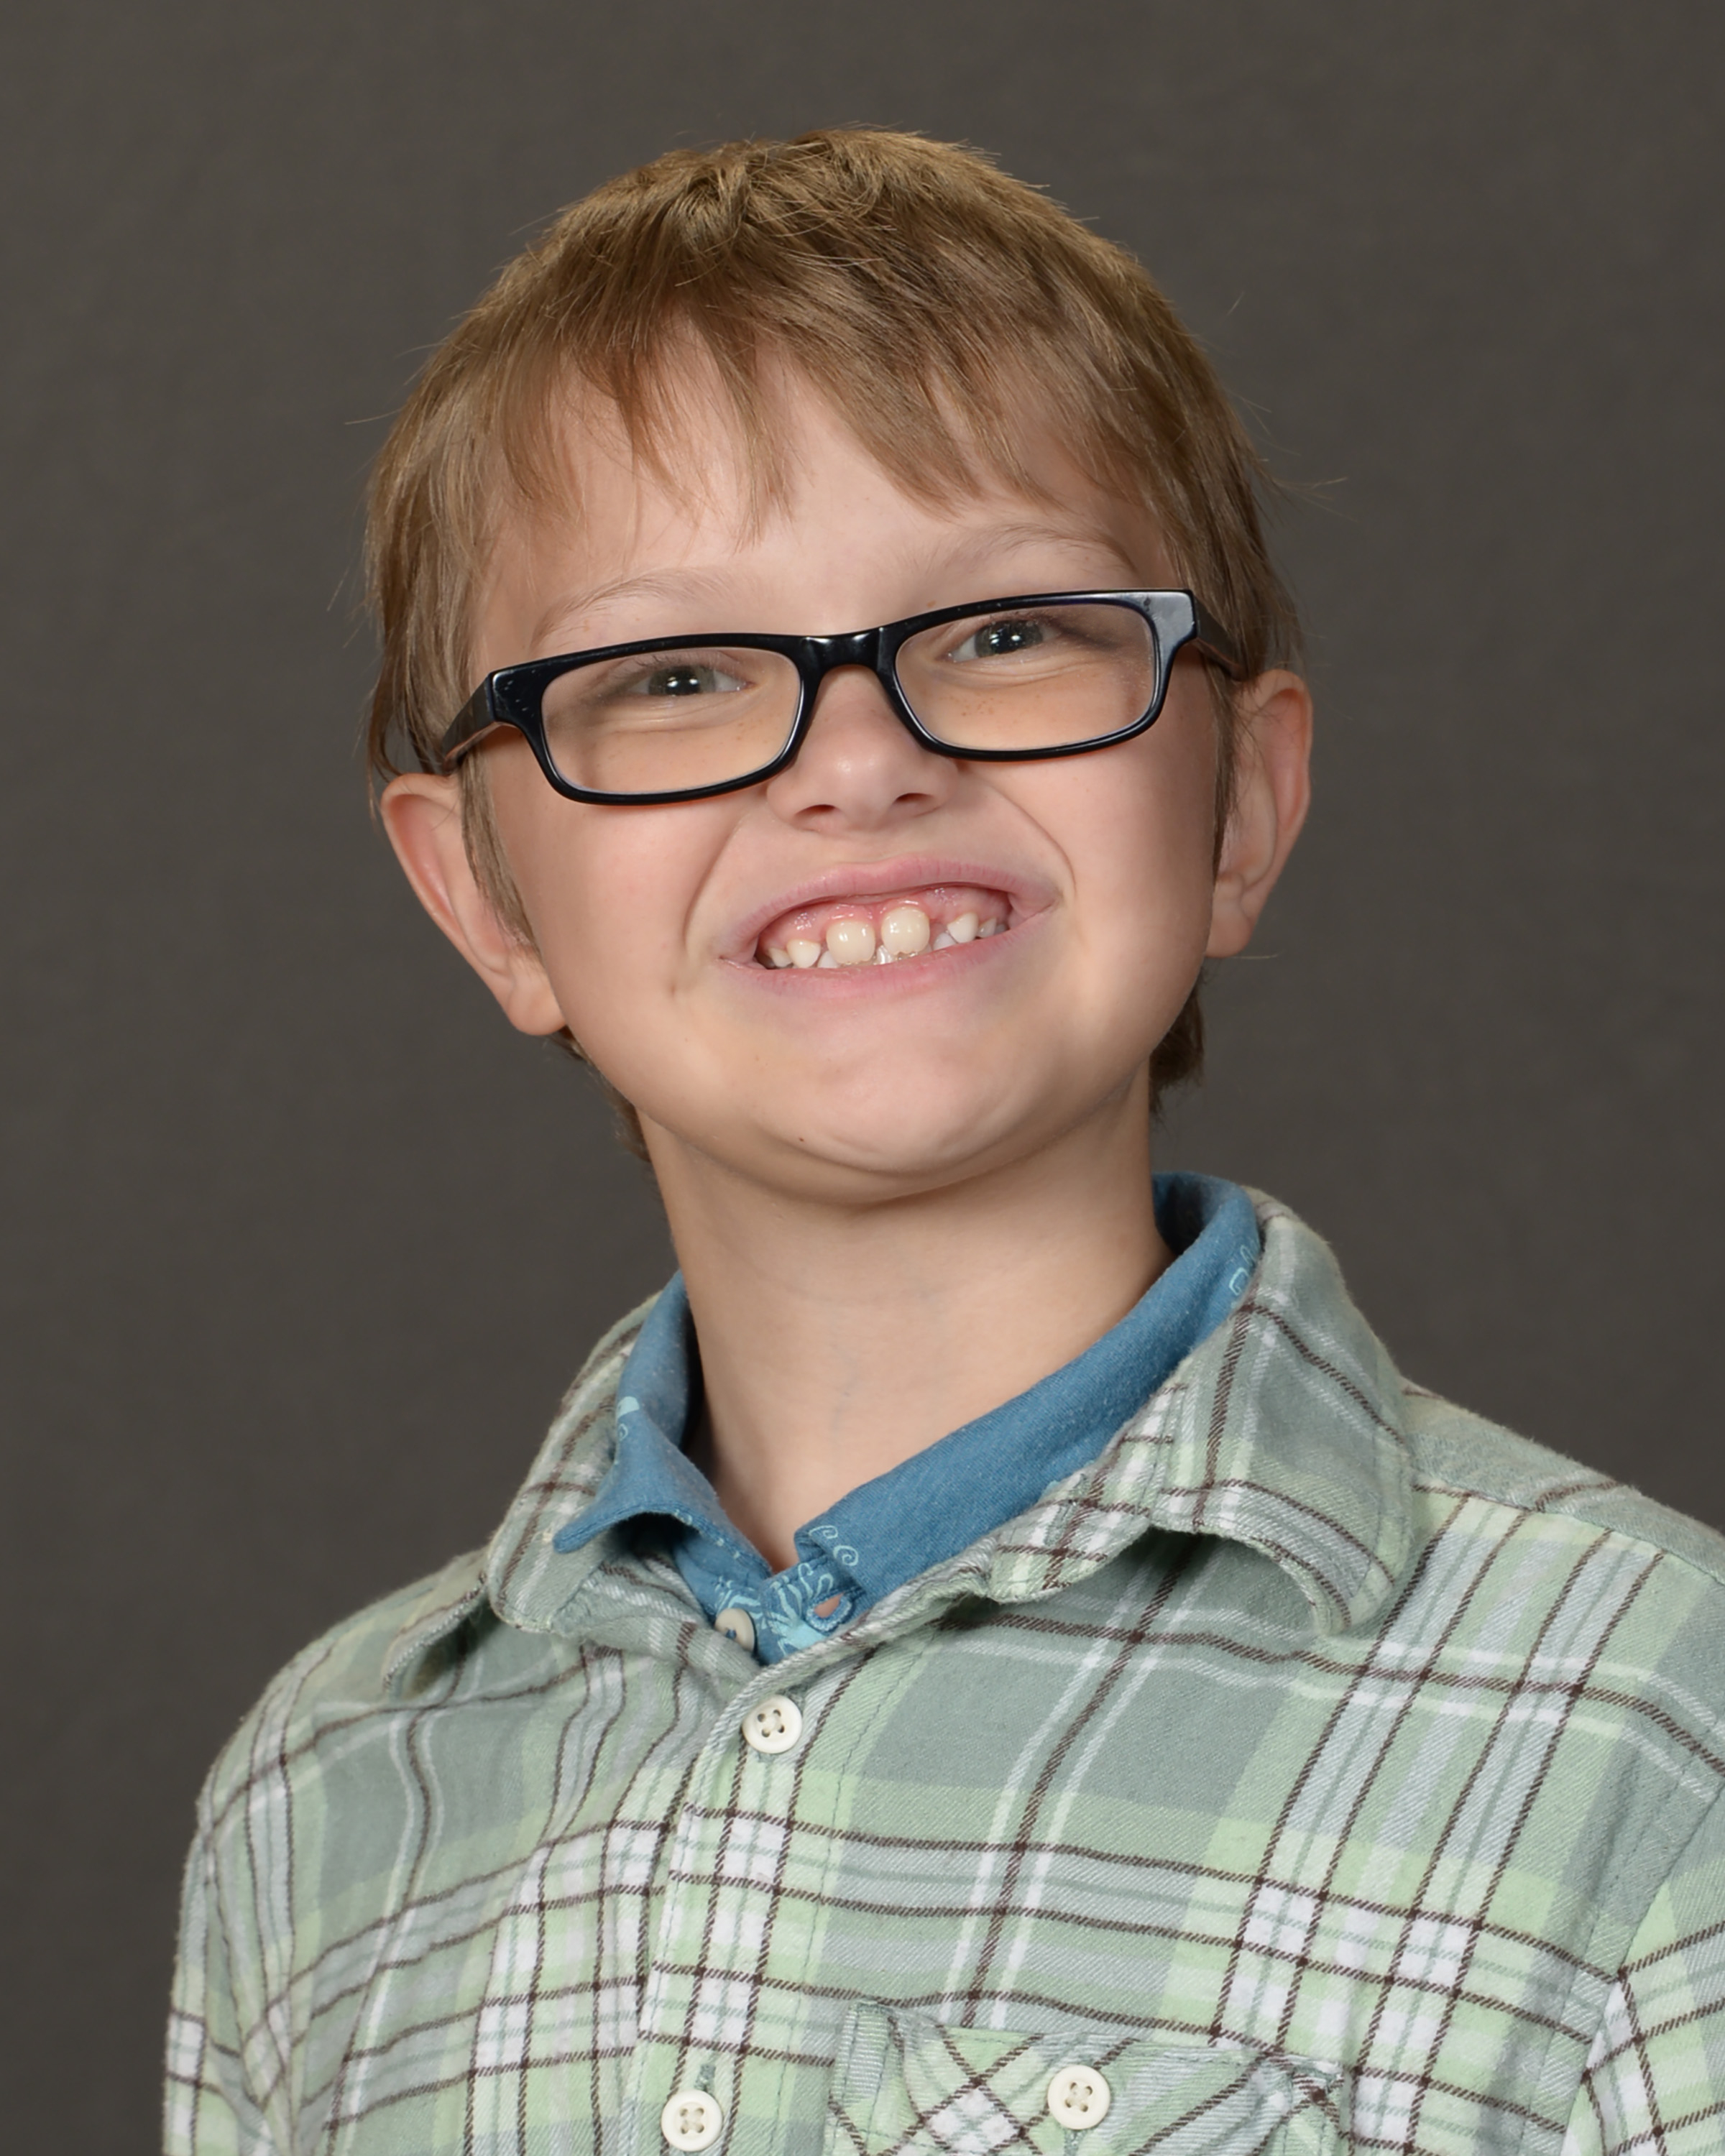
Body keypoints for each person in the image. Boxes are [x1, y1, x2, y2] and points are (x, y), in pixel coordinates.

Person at [166, 132, 1725, 2156]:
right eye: (672, 675)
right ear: (487, 902)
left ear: (1242, 806)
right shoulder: (323, 1807)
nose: (861, 761)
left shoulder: (1647, 1727)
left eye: (1005, 633)